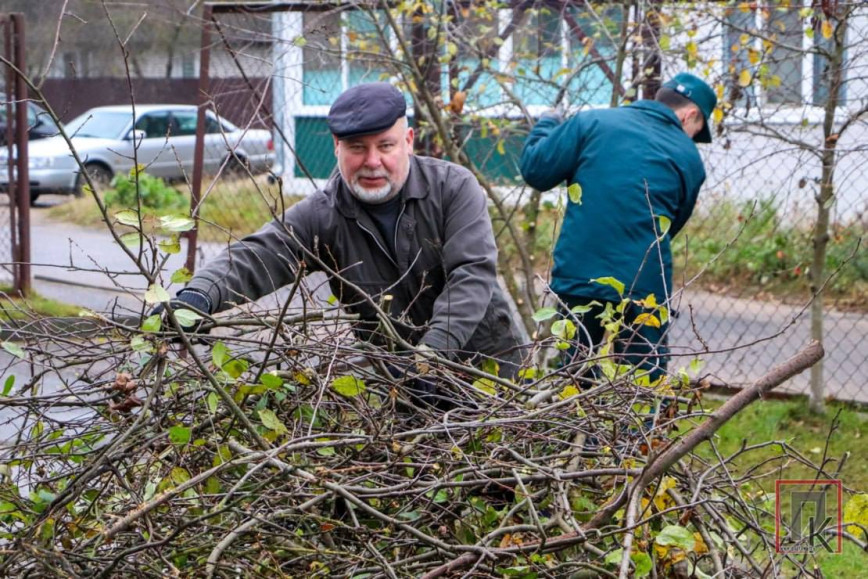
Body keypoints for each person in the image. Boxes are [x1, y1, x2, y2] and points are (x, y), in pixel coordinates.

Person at [165, 82, 524, 401]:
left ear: (408, 141)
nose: (372, 162)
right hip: (404, 389)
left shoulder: (453, 189)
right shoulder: (323, 216)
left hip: (490, 376)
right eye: (357, 148)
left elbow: (471, 275)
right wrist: (198, 298)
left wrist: (430, 358)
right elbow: (258, 255)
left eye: (386, 146)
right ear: (337, 146)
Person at [519, 73, 717, 379]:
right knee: (642, 379)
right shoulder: (688, 156)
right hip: (644, 283)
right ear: (689, 115)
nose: (691, 138)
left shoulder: (591, 123)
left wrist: (547, 123)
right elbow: (671, 224)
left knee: (575, 371)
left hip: (581, 274)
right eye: (697, 130)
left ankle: (572, 408)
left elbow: (536, 169)